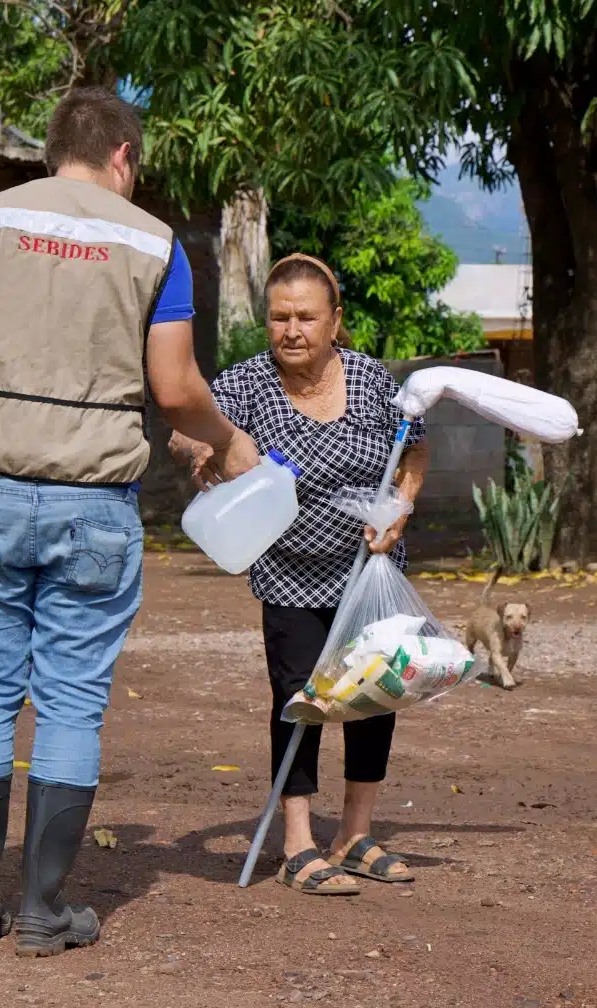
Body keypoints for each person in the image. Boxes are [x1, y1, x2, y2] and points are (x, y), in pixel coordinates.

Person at [0, 87, 260, 957]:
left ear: (54, 152)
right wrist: (231, 443)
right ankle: (42, 908)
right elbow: (175, 389)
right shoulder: (156, 243)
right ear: (123, 155)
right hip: (93, 508)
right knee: (71, 703)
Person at [171, 254, 429, 896]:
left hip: (368, 570)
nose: (292, 330)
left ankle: (353, 835)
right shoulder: (248, 383)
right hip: (288, 573)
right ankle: (297, 845)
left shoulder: (372, 380)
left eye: (307, 317)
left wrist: (403, 505)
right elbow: (188, 428)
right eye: (279, 317)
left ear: (335, 321)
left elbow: (416, 448)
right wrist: (205, 451)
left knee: (374, 694)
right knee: (299, 700)